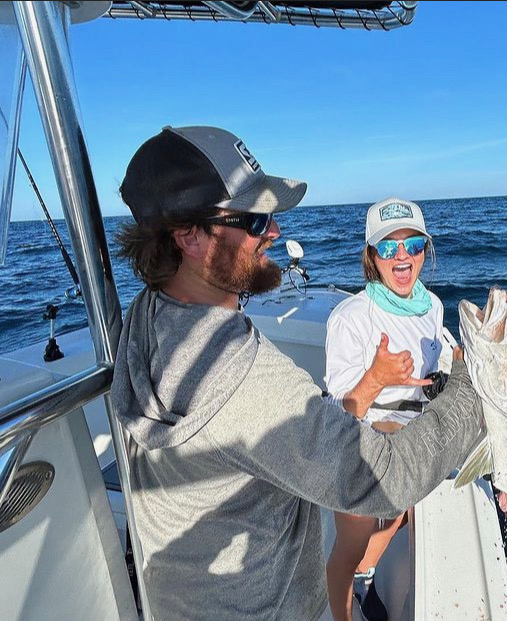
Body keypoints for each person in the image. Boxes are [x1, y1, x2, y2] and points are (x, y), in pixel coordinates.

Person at [111, 125, 484, 621]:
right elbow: (386, 480)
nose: (275, 232)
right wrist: (475, 389)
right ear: (189, 236)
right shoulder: (245, 381)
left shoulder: (146, 317)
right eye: (255, 219)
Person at [323, 198, 444, 621]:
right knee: (349, 549)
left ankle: (371, 581)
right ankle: (343, 612)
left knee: (404, 515)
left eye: (412, 244)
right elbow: (339, 412)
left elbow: (439, 365)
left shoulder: (433, 307)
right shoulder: (350, 318)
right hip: (360, 449)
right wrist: (377, 376)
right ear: (372, 256)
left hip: (414, 445)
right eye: (388, 248)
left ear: (425, 250)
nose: (403, 256)